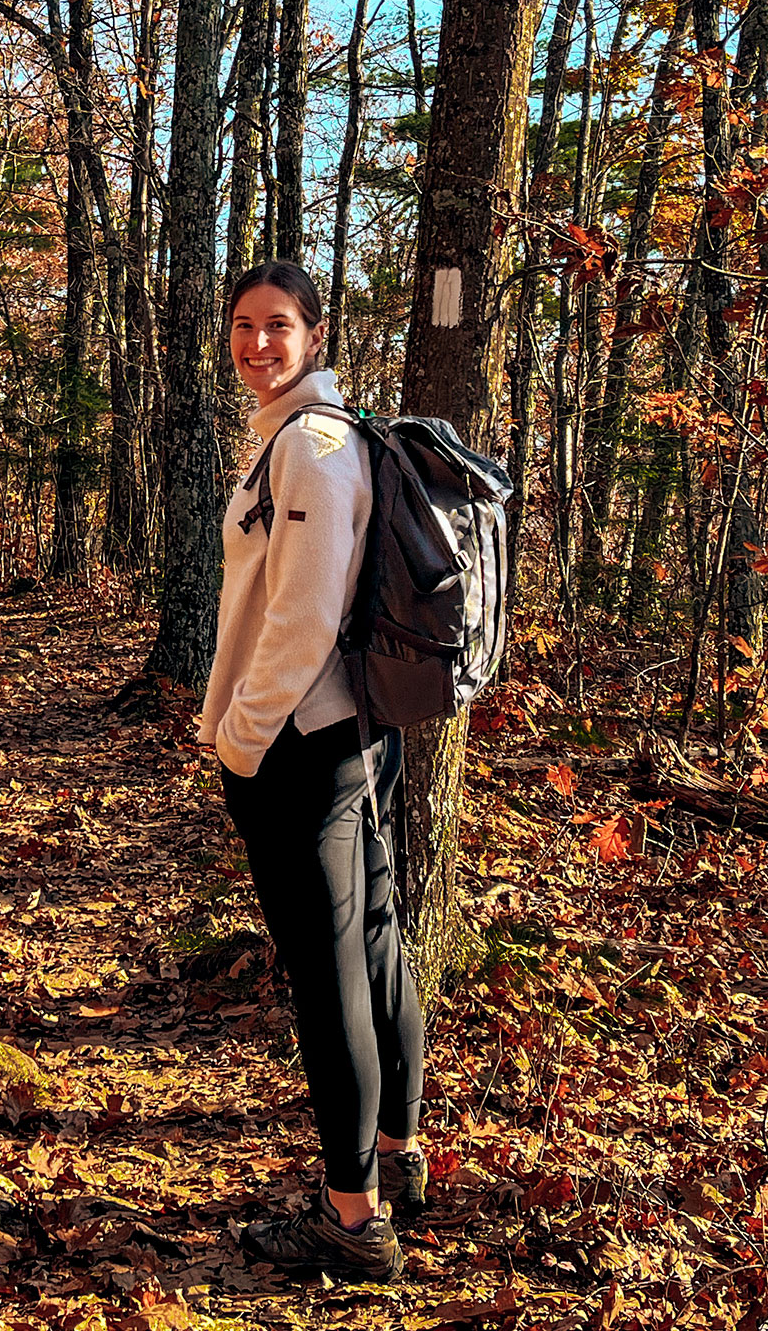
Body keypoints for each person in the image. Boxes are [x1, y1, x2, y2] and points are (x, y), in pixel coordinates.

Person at [198, 258, 427, 1284]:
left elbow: (300, 618)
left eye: (278, 326)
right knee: (373, 944)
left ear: (317, 336)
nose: (258, 345)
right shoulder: (296, 440)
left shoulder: (314, 448)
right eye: (244, 326)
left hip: (302, 742)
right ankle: (396, 1157)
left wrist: (241, 741)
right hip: (344, 734)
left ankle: (351, 1217)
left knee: (330, 972)